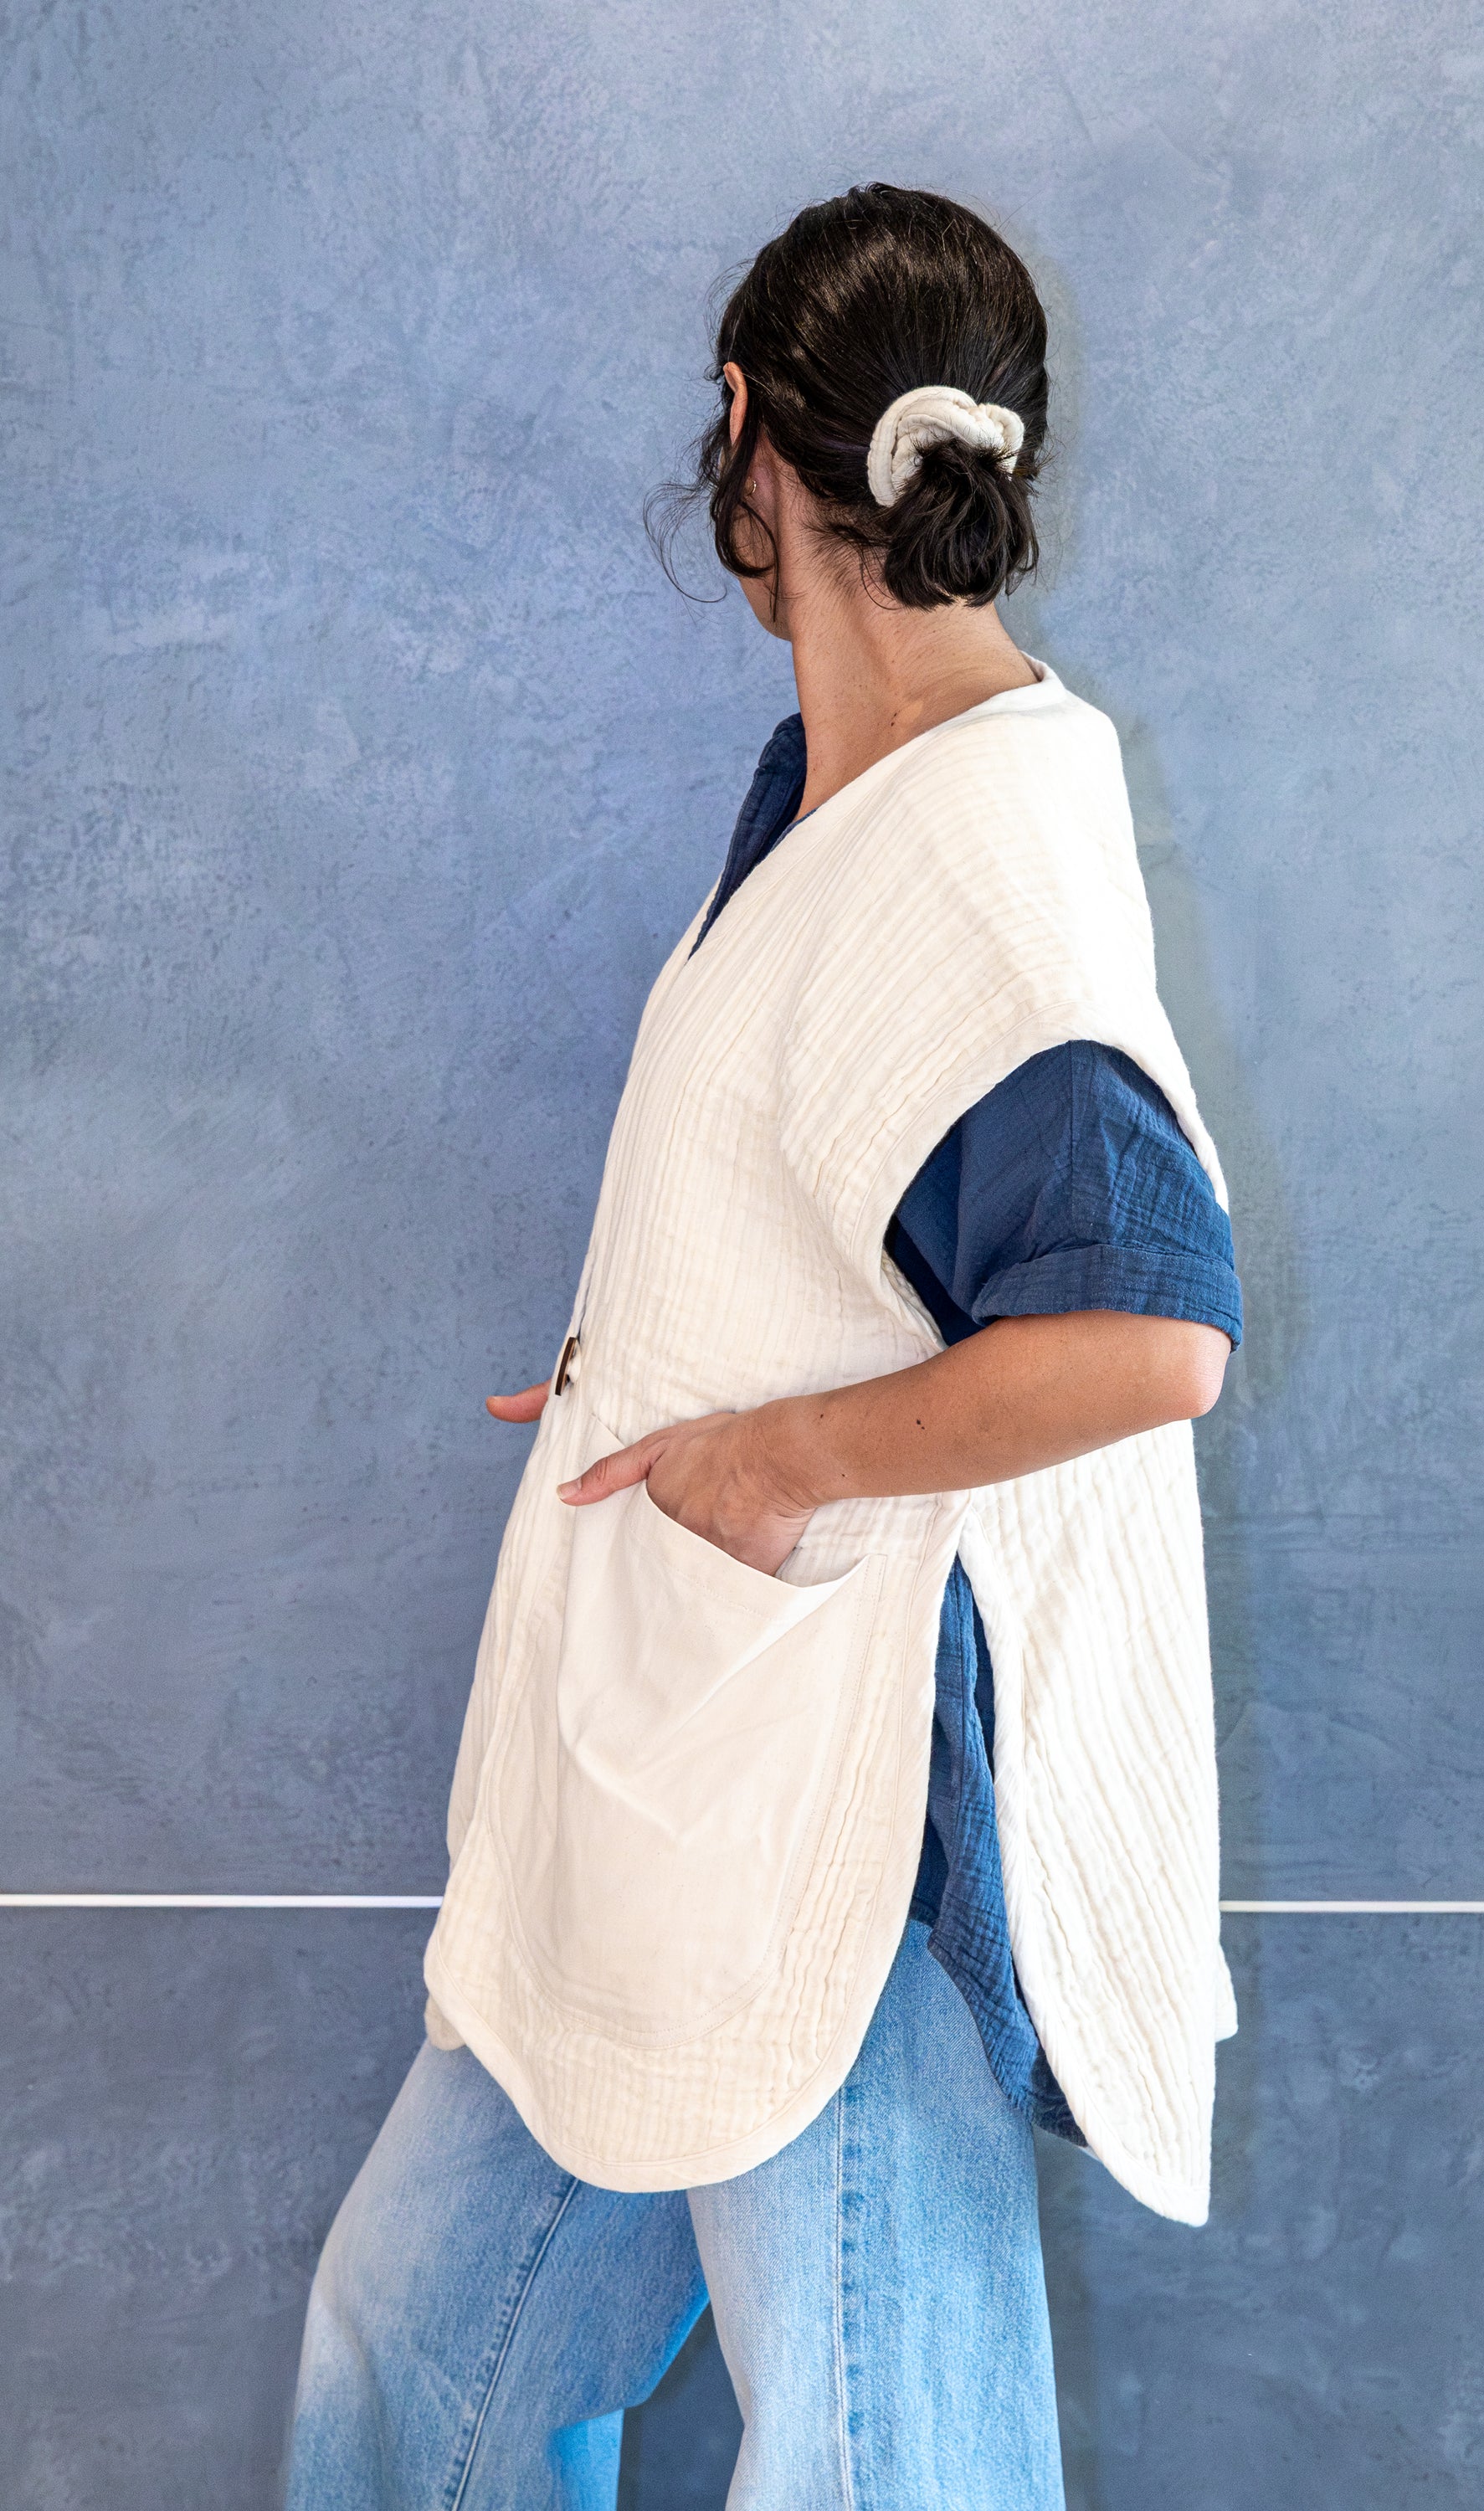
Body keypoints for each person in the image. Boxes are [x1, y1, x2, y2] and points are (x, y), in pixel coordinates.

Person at [284, 183, 1243, 2510]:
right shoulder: (840, 784)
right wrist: (649, 1367)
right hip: (670, 1756)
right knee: (418, 2358)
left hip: (840, 1800)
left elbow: (1148, 1339)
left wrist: (781, 1451)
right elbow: (834, 1184)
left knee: (877, 2460)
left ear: (745, 432)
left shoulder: (984, 850)